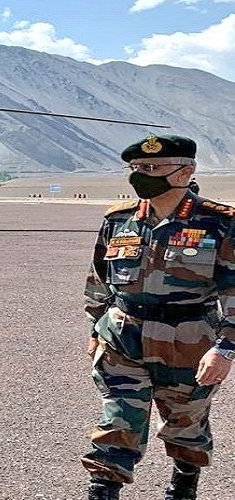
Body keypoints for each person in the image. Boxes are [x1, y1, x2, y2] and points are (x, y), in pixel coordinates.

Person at [82, 134, 235, 500]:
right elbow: (99, 279)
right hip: (123, 337)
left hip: (189, 340)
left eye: (153, 168)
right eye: (137, 168)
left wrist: (226, 347)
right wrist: (95, 327)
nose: (142, 176)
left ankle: (184, 481)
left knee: (186, 421)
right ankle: (104, 488)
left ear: (186, 172)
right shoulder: (118, 221)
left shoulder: (220, 223)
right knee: (119, 416)